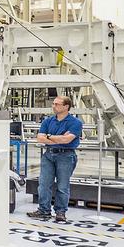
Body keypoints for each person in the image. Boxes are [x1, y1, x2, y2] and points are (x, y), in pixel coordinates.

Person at [29, 94, 84, 224]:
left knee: (62, 186)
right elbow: (40, 138)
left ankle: (60, 212)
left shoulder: (75, 123)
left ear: (66, 106)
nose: (53, 106)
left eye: (57, 104)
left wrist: (49, 137)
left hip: (66, 156)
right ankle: (44, 210)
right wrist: (56, 138)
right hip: (48, 155)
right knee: (44, 185)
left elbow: (67, 140)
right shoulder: (48, 121)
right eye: (53, 104)